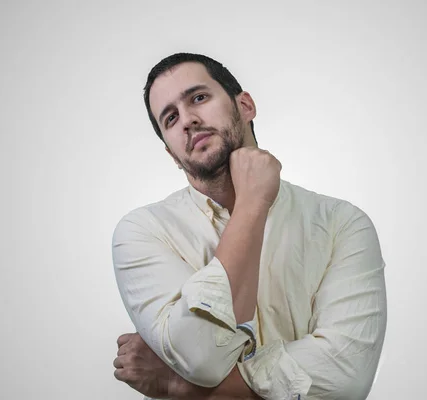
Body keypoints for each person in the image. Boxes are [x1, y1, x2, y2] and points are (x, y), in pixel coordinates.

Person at [111, 52, 387, 400]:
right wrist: (251, 206)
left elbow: (346, 379)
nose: (187, 120)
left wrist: (179, 385)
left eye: (198, 98)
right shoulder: (142, 232)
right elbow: (202, 358)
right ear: (171, 154)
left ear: (245, 105)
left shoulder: (342, 224)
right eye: (170, 118)